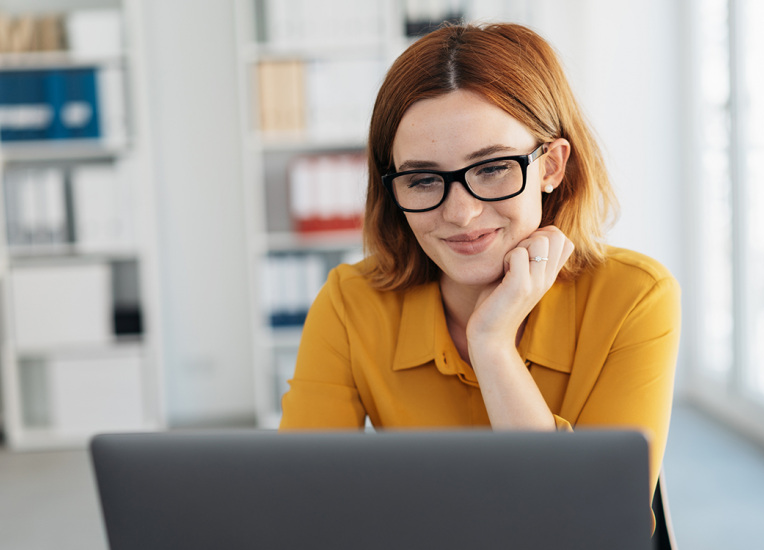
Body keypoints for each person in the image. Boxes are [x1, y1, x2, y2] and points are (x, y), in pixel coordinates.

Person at [279, 21, 680, 513]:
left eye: (492, 169)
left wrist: (492, 345)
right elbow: (300, 503)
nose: (460, 214)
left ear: (551, 167)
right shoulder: (350, 302)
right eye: (423, 179)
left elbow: (594, 522)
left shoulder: (634, 296)